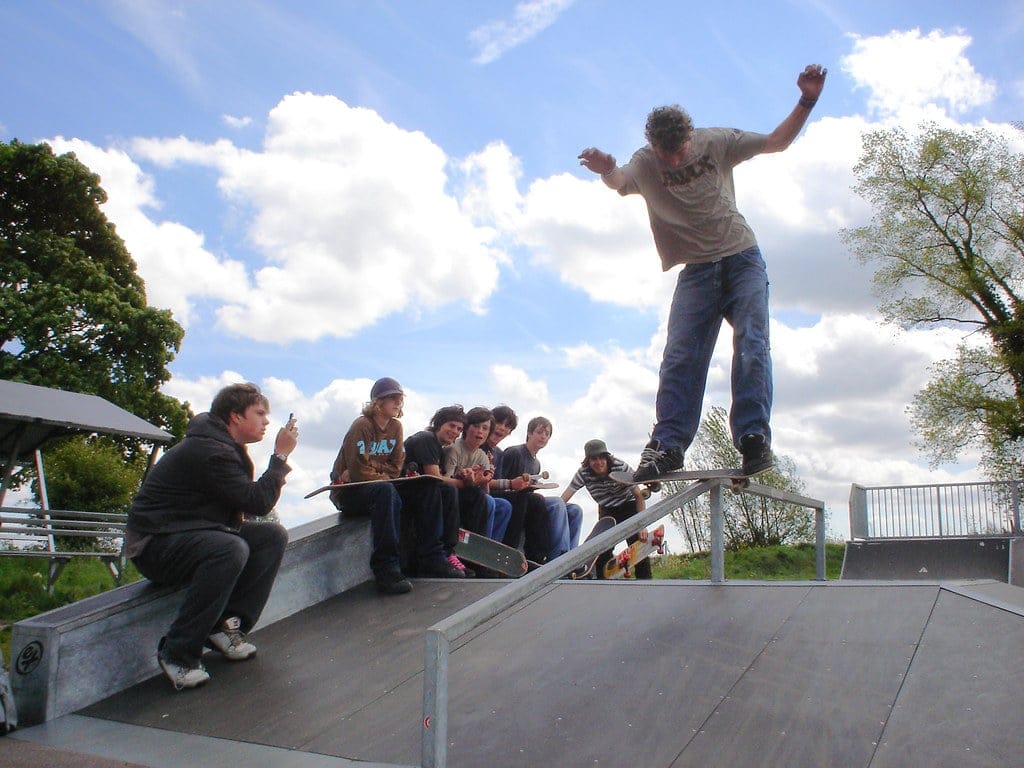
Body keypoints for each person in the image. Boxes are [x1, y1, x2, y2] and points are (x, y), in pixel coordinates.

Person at [578, 64, 828, 482]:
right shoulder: (644, 162)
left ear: (689, 137)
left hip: (742, 257)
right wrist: (606, 168)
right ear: (652, 144)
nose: (674, 161)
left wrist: (807, 100)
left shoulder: (716, 142)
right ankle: (668, 446)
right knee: (680, 355)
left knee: (752, 341)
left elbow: (776, 142)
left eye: (680, 152)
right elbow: (620, 180)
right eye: (666, 154)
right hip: (697, 272)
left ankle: (752, 437)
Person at [126, 382, 296, 690]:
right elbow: (257, 501)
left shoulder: (223, 446)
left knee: (271, 536)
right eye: (259, 413)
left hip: (191, 533)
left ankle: (224, 626)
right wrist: (280, 458)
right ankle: (177, 652)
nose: (266, 421)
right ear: (234, 416)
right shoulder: (212, 451)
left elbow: (252, 505)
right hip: (155, 545)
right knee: (229, 548)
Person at [329, 378, 460, 596]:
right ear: (378, 401)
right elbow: (358, 471)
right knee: (386, 491)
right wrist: (380, 470)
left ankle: (433, 557)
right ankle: (386, 567)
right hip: (350, 492)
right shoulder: (362, 425)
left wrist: (376, 467)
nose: (397, 403)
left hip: (383, 486)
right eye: (392, 398)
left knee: (434, 486)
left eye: (400, 399)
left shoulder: (396, 427)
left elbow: (396, 467)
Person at [402, 405, 475, 576]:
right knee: (447, 490)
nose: (455, 431)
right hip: (405, 492)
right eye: (451, 426)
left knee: (457, 492)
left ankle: (448, 552)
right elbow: (433, 477)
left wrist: (464, 477)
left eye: (459, 429)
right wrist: (463, 483)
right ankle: (434, 556)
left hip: (422, 493)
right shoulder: (426, 439)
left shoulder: (437, 447)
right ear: (439, 424)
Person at [561, 439, 650, 579]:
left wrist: (642, 525)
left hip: (629, 505)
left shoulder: (620, 467)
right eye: (594, 459)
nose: (599, 463)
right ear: (588, 461)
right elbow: (566, 495)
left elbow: (639, 495)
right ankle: (603, 583)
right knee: (602, 549)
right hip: (607, 509)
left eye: (602, 458)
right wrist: (555, 510)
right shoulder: (583, 473)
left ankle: (645, 582)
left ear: (607, 458)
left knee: (637, 545)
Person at [498, 416, 582, 563]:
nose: (543, 436)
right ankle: (558, 557)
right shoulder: (515, 453)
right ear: (529, 433)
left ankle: (571, 557)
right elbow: (501, 482)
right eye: (539, 432)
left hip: (529, 500)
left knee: (575, 510)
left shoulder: (536, 463)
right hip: (513, 499)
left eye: (547, 434)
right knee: (556, 503)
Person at [443, 406, 511, 542]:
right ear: (467, 428)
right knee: (487, 501)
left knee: (504, 505)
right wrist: (466, 478)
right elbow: (445, 482)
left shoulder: (482, 456)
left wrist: (485, 480)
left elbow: (486, 491)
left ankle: (493, 546)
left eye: (485, 428)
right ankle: (480, 544)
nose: (480, 431)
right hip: (454, 495)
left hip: (474, 496)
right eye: (476, 426)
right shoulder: (454, 449)